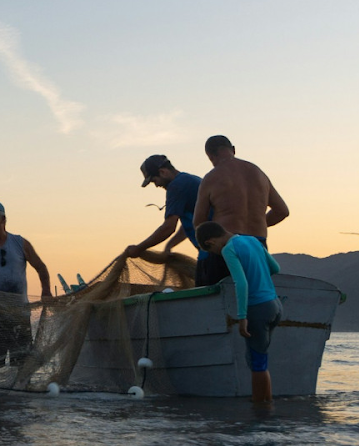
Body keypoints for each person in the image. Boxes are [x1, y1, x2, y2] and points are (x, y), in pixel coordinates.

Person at [0, 201, 52, 383]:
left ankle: (19, 403)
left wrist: (46, 291)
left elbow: (41, 268)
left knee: (21, 362)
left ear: (3, 218)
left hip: (19, 314)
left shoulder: (20, 243)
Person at [195, 221, 281, 403]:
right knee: (261, 360)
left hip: (257, 308)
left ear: (210, 242)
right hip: (275, 304)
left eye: (212, 251)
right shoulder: (252, 240)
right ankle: (267, 405)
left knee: (257, 363)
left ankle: (260, 410)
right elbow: (275, 268)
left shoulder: (228, 249)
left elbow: (241, 283)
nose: (216, 255)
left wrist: (242, 318)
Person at [193, 135, 289, 286]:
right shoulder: (259, 174)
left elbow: (199, 221)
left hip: (225, 245)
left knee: (222, 300)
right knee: (255, 295)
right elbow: (282, 211)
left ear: (210, 156)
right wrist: (258, 223)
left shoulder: (212, 177)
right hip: (257, 244)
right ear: (233, 150)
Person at [122, 154, 204, 281]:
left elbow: (168, 227)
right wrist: (170, 245)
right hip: (221, 247)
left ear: (163, 172)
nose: (156, 185)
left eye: (154, 180)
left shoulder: (176, 186)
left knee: (206, 291)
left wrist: (139, 248)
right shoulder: (190, 179)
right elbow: (192, 224)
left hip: (211, 251)